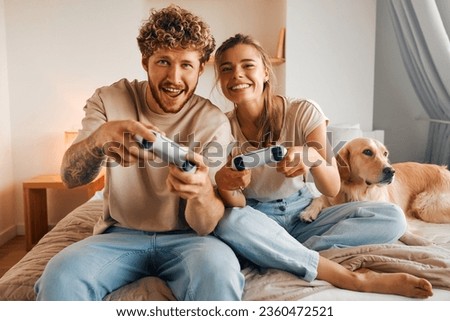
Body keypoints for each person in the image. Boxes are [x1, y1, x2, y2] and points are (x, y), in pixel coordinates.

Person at [34, 5, 245, 301]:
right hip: (119, 235)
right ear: (145, 62)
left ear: (201, 68)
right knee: (60, 277)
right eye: (163, 61)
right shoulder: (109, 100)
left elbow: (206, 224)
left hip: (189, 240)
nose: (174, 77)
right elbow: (70, 176)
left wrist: (200, 193)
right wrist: (100, 139)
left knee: (221, 275)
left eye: (186, 64)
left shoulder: (213, 123)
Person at [212, 33, 433, 298]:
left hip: (303, 213)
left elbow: (330, 188)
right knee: (228, 222)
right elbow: (234, 203)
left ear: (265, 72)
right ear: (220, 79)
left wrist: (311, 157)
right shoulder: (221, 126)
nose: (237, 74)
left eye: (247, 65)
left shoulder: (303, 110)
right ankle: (350, 277)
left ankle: (282, 251)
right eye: (227, 69)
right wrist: (231, 186)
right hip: (258, 217)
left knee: (393, 217)